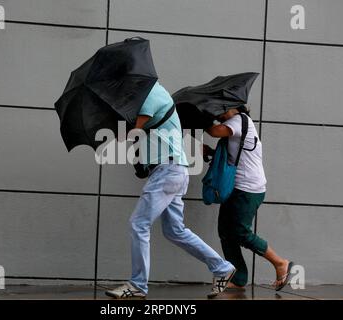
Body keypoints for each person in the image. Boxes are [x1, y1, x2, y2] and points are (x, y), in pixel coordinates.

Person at [106, 82, 236, 299]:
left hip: (168, 171)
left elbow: (134, 131)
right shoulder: (152, 96)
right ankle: (222, 268)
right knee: (175, 230)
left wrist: (123, 130)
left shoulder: (151, 94)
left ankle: (138, 285)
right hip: (172, 170)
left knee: (138, 224)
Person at [203, 105, 294, 291]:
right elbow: (235, 155)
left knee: (240, 232)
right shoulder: (235, 124)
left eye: (217, 109)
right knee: (226, 233)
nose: (215, 114)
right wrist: (211, 152)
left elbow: (213, 131)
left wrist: (200, 118)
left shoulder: (239, 120)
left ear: (230, 106)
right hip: (236, 187)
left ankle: (280, 263)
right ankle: (238, 277)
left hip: (248, 188)